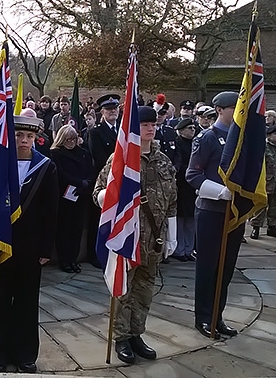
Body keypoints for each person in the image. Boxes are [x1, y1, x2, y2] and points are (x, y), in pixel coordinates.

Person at [94, 106, 177, 364]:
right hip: (128, 235)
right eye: (144, 124)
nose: (150, 128)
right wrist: (111, 196)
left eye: (153, 124)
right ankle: (121, 338)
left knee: (145, 289)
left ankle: (136, 334)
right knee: (123, 289)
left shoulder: (163, 160)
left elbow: (172, 197)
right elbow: (98, 191)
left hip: (154, 237)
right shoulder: (120, 158)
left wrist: (172, 234)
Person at [0, 114, 58, 374]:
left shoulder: (46, 167)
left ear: (36, 137)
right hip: (2, 243)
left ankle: (25, 354)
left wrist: (46, 249)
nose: (24, 140)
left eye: (29, 136)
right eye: (19, 135)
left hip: (31, 246)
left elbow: (51, 211)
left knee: (27, 302)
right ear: (11, 136)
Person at [186, 91, 243, 339]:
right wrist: (221, 192)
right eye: (234, 108)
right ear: (220, 110)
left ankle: (218, 316)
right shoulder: (207, 138)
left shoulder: (240, 138)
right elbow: (192, 174)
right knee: (209, 266)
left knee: (227, 267)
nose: (238, 113)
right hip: (212, 210)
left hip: (235, 212)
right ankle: (204, 317)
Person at [50, 124, 93, 273]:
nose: (71, 143)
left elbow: (90, 170)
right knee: (64, 229)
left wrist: (85, 185)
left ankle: (73, 259)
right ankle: (64, 260)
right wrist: (78, 182)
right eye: (68, 140)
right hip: (64, 195)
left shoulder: (83, 153)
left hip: (80, 195)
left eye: (73, 139)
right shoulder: (56, 154)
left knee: (77, 229)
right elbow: (60, 173)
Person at [86, 93, 121, 268]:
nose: (112, 111)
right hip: (103, 180)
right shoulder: (96, 132)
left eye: (115, 108)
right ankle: (95, 254)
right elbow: (99, 158)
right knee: (98, 219)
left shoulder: (123, 131)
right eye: (108, 109)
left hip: (122, 180)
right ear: (102, 112)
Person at [173, 118, 198, 261]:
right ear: (181, 131)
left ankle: (189, 249)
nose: (192, 130)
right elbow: (178, 162)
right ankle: (179, 249)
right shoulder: (178, 143)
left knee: (191, 219)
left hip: (193, 187)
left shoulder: (196, 143)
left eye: (193, 128)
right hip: (182, 184)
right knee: (181, 219)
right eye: (189, 128)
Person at [250, 124, 276, 239]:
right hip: (266, 181)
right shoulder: (263, 147)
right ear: (269, 135)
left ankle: (272, 227)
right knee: (261, 205)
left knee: (274, 207)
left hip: (275, 183)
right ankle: (256, 227)